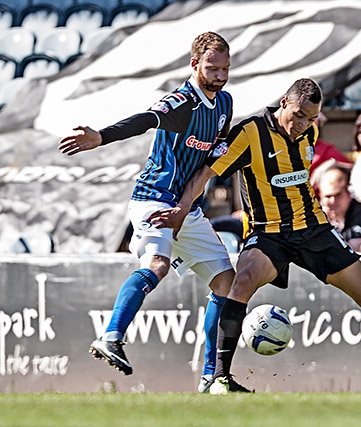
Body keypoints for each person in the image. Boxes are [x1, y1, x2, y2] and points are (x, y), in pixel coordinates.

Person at [148, 78, 361, 395]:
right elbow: (206, 173)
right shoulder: (251, 133)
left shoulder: (309, 132)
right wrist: (181, 209)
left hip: (314, 231)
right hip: (269, 234)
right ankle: (219, 379)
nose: (304, 124)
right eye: (299, 115)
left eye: (311, 118)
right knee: (241, 283)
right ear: (284, 102)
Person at [57, 32, 235, 392]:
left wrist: (187, 206)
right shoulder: (183, 101)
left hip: (187, 207)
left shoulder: (225, 104)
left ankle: (210, 377)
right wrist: (101, 137)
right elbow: (145, 120)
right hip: (153, 198)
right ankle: (111, 336)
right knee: (157, 264)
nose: (219, 75)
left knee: (226, 282)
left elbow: (209, 165)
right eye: (212, 68)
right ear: (194, 65)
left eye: (225, 68)